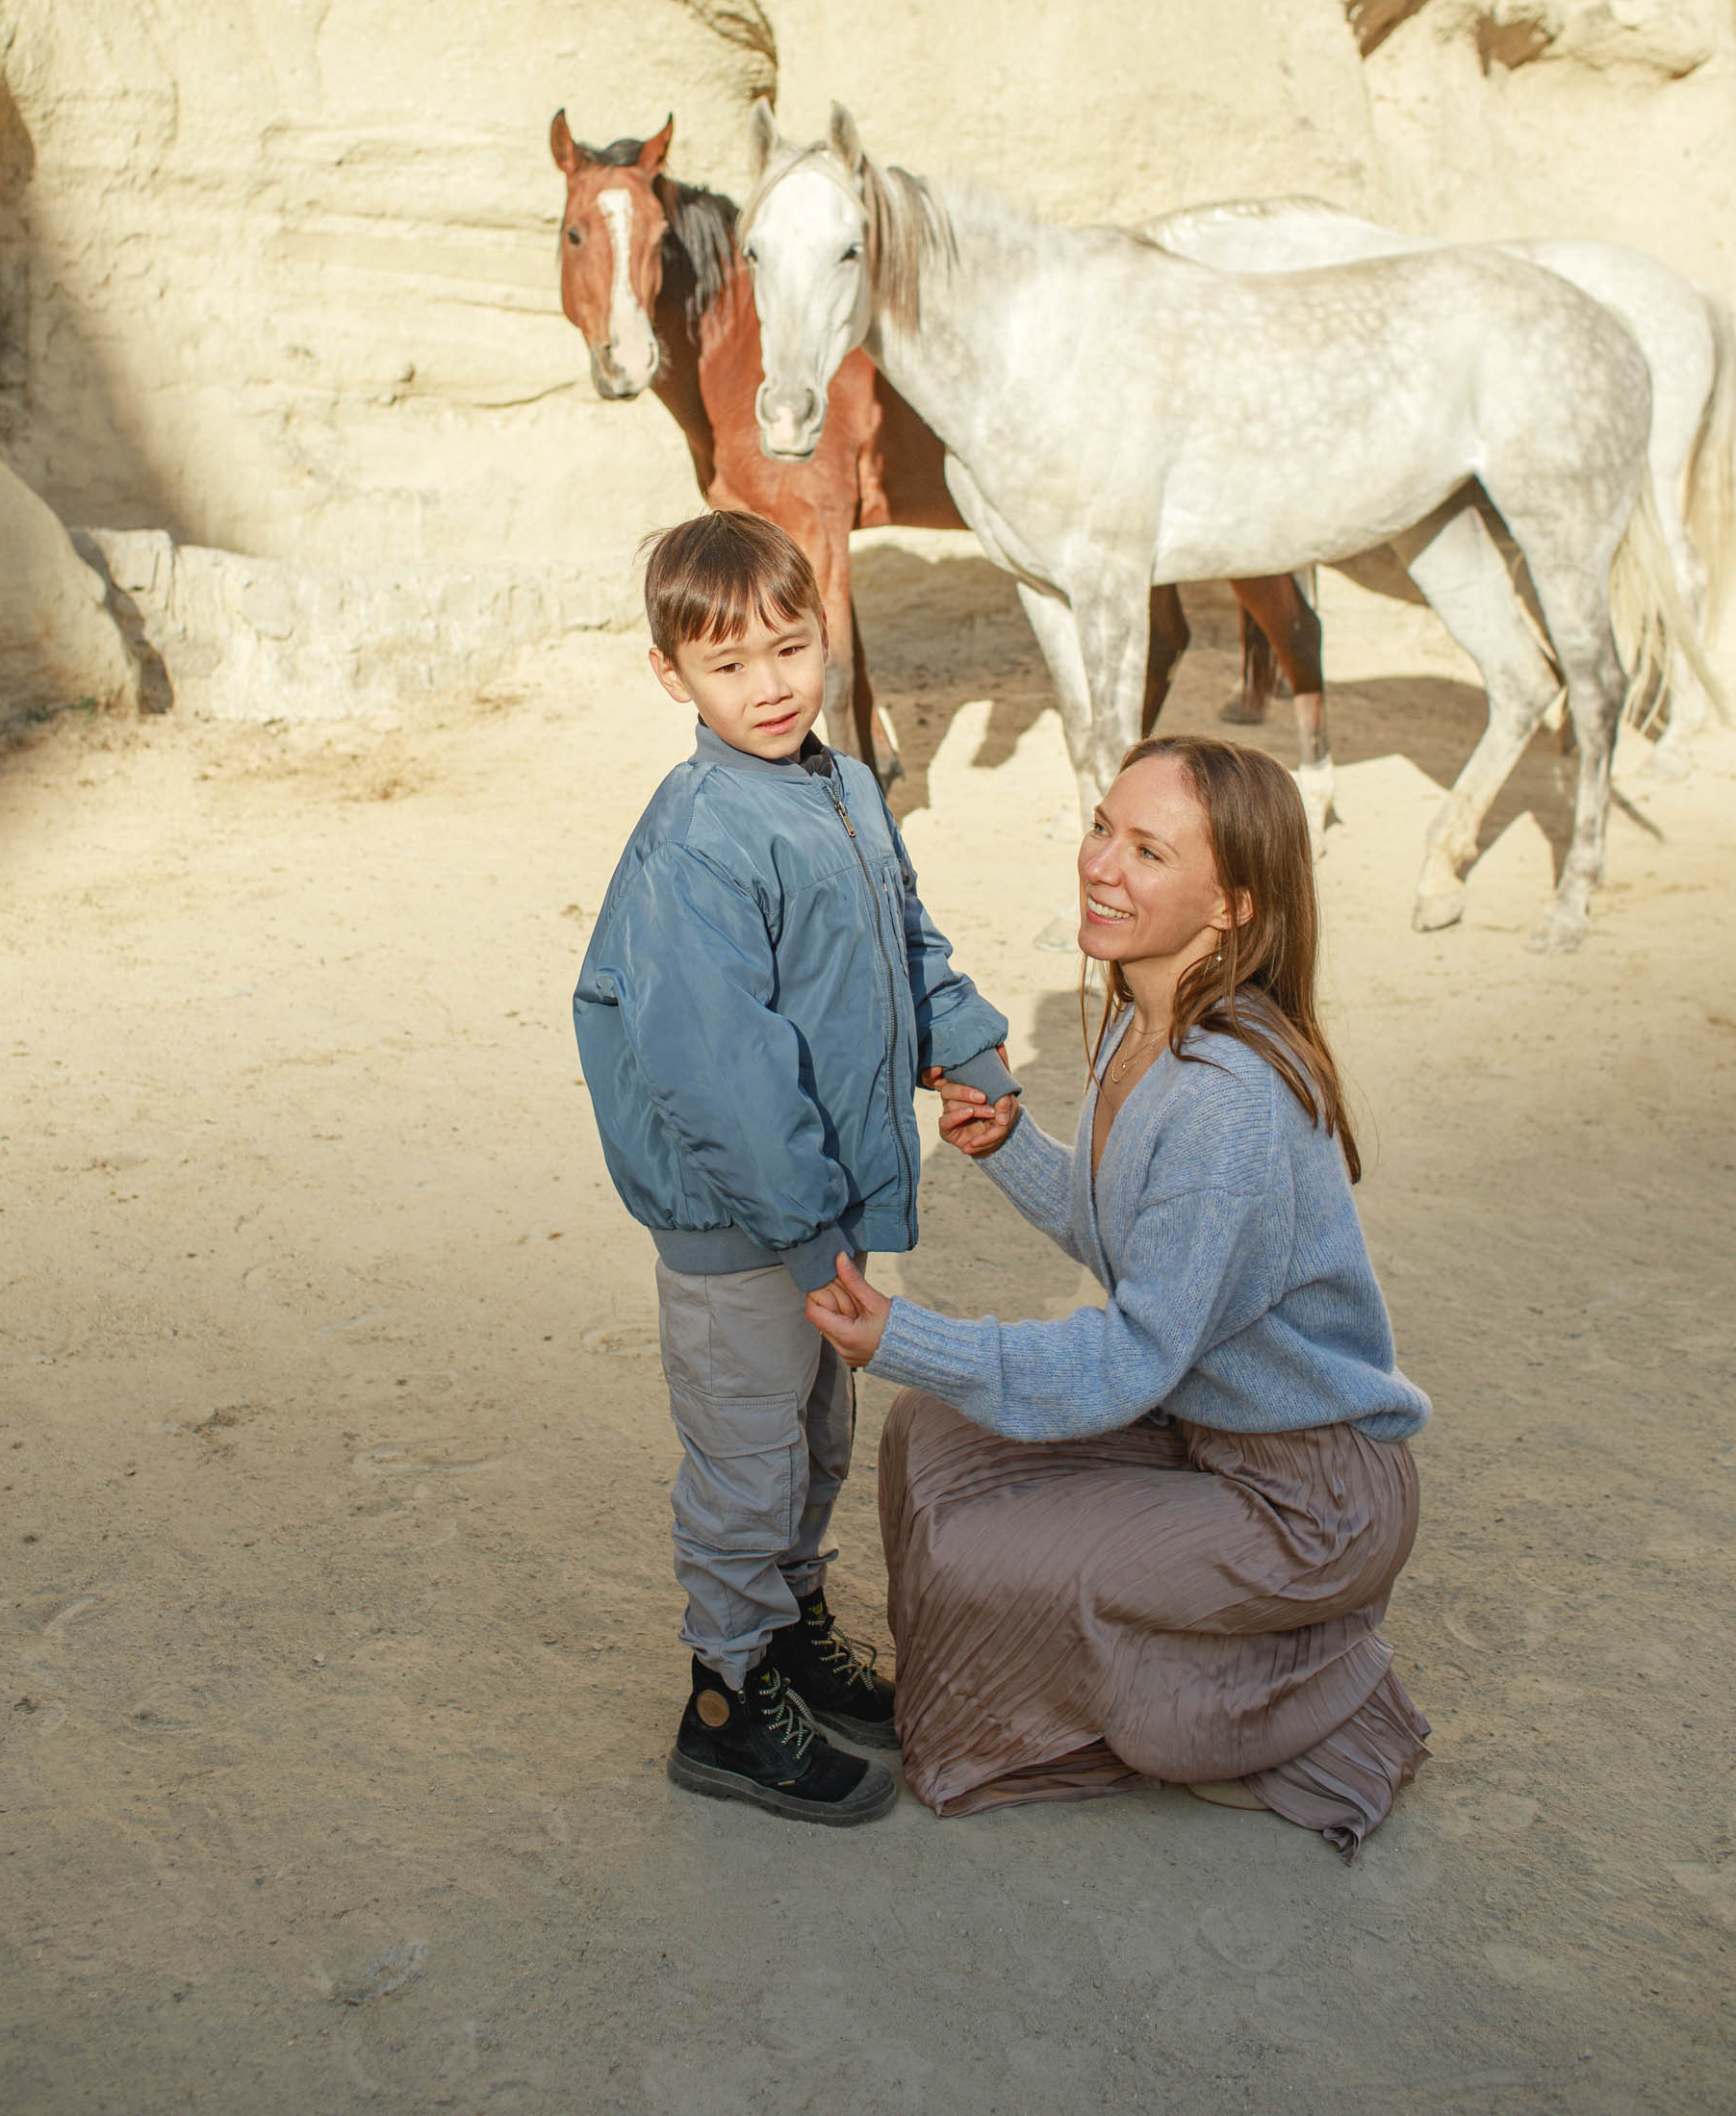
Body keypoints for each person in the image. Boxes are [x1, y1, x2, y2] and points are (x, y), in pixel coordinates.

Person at [805, 734, 1431, 1856]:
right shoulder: (1148, 1020)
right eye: (1102, 827)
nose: (1100, 866)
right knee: (932, 1444)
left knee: (984, 1553)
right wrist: (1012, 1148)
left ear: (1232, 901)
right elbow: (1133, 1234)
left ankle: (1275, 1697)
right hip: (1207, 1435)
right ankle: (1135, 1661)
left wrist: (902, 1334)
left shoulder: (1227, 1098)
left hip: (1306, 1503)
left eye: (1148, 851)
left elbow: (1128, 1354)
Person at [574, 509, 1014, 1826]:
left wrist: (970, 1050)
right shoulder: (705, 838)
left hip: (824, 1208)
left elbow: (903, 941)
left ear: (828, 631)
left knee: (814, 1440)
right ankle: (724, 1694)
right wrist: (803, 1225)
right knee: (746, 1453)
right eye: (728, 665)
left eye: (791, 645)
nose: (768, 685)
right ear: (673, 678)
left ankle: (794, 1633)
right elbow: (723, 1068)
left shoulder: (843, 785)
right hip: (747, 1223)